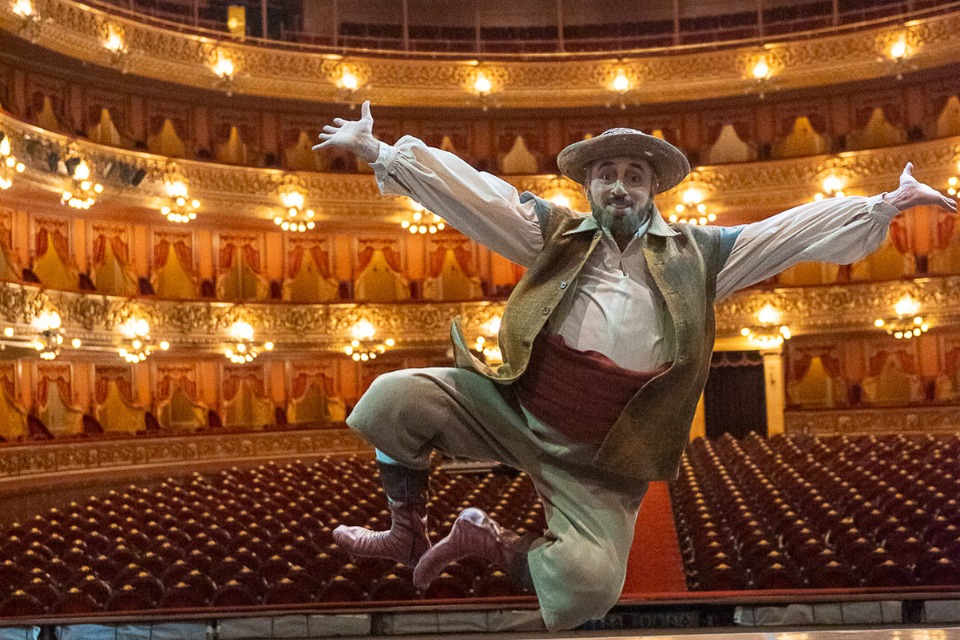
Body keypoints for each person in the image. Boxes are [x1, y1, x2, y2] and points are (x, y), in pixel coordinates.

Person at [313, 100, 956, 630]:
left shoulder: (702, 254)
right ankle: (406, 530)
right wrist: (381, 152)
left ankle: (488, 541)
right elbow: (477, 197)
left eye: (634, 175)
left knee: (588, 588)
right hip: (514, 410)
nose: (619, 185)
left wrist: (882, 205)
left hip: (603, 457)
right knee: (393, 397)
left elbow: (786, 231)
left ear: (652, 189)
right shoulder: (552, 233)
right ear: (589, 186)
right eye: (606, 174)